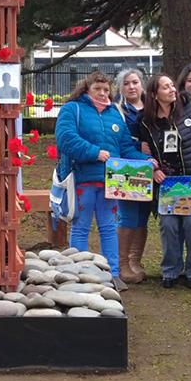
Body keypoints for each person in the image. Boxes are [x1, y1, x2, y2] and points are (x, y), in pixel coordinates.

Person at [133, 72, 191, 289]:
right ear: (154, 94)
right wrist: (151, 168)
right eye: (166, 87)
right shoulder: (145, 120)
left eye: (173, 85)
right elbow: (143, 150)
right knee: (168, 224)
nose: (173, 89)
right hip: (168, 183)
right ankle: (171, 270)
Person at [54, 70, 132, 289]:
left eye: (106, 89)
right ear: (86, 88)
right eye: (97, 88)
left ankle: (112, 274)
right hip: (82, 179)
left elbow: (125, 146)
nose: (102, 93)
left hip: (111, 182)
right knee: (81, 227)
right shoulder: (73, 109)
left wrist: (145, 161)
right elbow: (66, 138)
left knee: (109, 228)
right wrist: (95, 152)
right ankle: (78, 273)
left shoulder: (115, 113)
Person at [114, 69, 151, 283]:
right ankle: (122, 263)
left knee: (142, 216)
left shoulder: (151, 108)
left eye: (135, 82)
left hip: (149, 167)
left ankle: (135, 260)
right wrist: (138, 146)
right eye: (127, 83)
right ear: (121, 87)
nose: (131, 87)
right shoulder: (117, 110)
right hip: (127, 168)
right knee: (127, 215)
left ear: (141, 85)